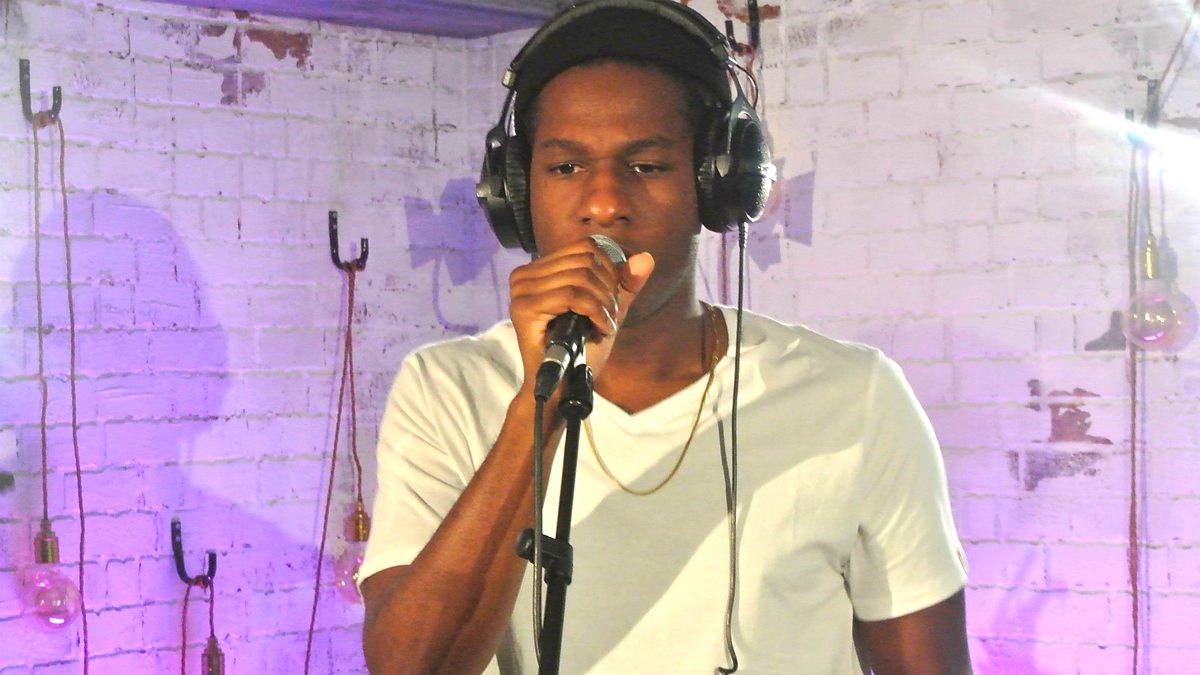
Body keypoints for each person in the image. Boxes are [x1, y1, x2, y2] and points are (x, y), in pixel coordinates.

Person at [359, 1, 971, 673]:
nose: (603, 203)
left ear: (718, 185)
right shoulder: (445, 388)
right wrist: (540, 409)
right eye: (565, 168)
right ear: (516, 193)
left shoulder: (855, 394)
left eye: (647, 166)